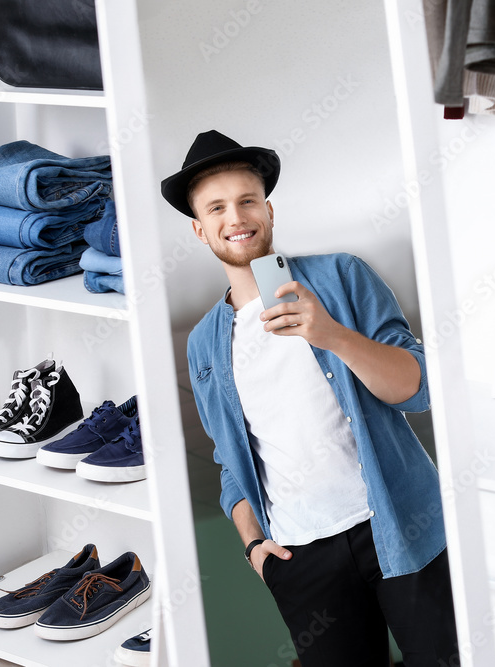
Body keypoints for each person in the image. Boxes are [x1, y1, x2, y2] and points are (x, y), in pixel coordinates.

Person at [161, 130, 460, 666]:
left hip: (400, 525)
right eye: (218, 207)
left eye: (248, 200)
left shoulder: (342, 276)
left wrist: (333, 336)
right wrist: (255, 545)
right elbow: (230, 462)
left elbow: (418, 389)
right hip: (299, 556)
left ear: (269, 211)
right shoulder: (203, 342)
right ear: (199, 229)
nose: (237, 216)